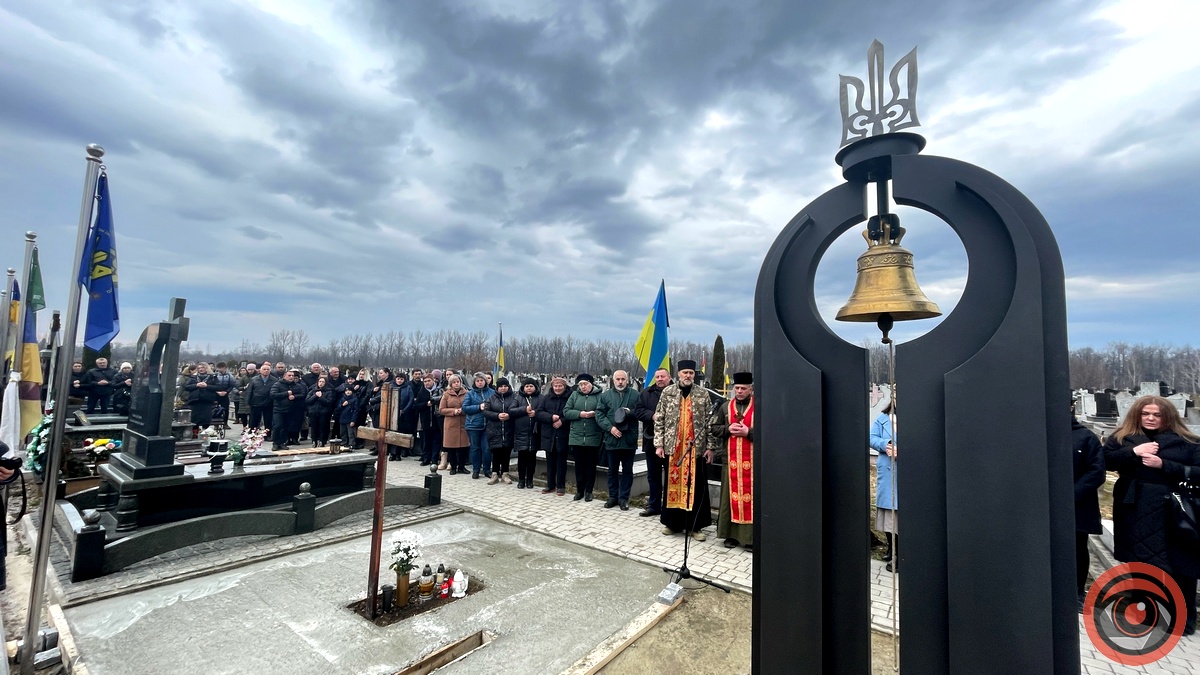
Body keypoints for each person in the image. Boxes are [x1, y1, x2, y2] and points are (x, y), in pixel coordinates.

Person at [1104, 395, 1200, 635]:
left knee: (1179, 564)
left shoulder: (1187, 442)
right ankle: (1144, 614)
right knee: (1140, 562)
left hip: (1174, 510)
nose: (1151, 418)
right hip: (1133, 507)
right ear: (1137, 414)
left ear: (1168, 416)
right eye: (1146, 413)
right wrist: (1134, 452)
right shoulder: (1121, 438)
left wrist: (1164, 465)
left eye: (1157, 414)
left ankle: (1182, 620)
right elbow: (1105, 462)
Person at [654, 359, 715, 540]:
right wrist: (659, 444)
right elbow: (660, 419)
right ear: (678, 374)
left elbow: (709, 423)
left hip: (695, 449)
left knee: (696, 487)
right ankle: (673, 524)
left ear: (694, 375)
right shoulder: (668, 392)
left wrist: (710, 447)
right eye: (684, 372)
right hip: (674, 449)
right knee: (672, 485)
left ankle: (696, 527)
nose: (688, 376)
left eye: (691, 373)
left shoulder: (702, 394)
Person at [711, 371, 755, 549]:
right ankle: (730, 535)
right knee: (729, 499)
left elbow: (771, 431)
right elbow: (714, 428)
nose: (739, 391)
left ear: (751, 389)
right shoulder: (725, 407)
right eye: (736, 388)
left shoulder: (760, 406)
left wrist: (748, 433)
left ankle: (750, 537)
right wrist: (728, 429)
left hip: (753, 464)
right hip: (730, 462)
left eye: (743, 388)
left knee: (751, 500)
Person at [1071, 396, 1104, 612]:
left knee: (1077, 548)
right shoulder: (1036, 433)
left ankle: (1077, 592)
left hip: (1077, 504)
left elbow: (1097, 472)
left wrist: (1070, 495)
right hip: (1039, 505)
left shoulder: (1086, 437)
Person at [597, 370, 639, 510]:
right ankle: (613, 497)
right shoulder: (606, 396)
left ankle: (623, 498)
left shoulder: (635, 395)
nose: (620, 382)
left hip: (628, 440)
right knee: (612, 471)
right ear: (613, 380)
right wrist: (610, 428)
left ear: (627, 380)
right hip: (612, 439)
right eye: (618, 379)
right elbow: (599, 414)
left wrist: (629, 413)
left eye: (623, 379)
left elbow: (640, 412)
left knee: (627, 471)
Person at [634, 367, 671, 517]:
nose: (660, 379)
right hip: (651, 441)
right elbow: (638, 410)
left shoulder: (677, 392)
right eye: (657, 377)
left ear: (669, 377)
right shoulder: (646, 393)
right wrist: (652, 415)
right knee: (653, 476)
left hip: (671, 443)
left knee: (671, 477)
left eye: (663, 376)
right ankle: (654, 506)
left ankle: (669, 508)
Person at [564, 373, 604, 502]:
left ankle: (589, 491)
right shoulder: (574, 395)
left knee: (590, 466)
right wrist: (580, 414)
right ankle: (579, 490)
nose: (583, 387)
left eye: (585, 384)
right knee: (579, 466)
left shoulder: (599, 396)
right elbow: (566, 411)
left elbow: (604, 411)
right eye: (580, 384)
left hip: (593, 436)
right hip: (577, 436)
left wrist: (594, 414)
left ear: (591, 384)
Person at [869, 402, 899, 571]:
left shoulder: (914, 417)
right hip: (888, 474)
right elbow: (871, 438)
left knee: (899, 515)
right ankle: (891, 548)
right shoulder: (882, 418)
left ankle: (899, 553)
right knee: (888, 514)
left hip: (904, 472)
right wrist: (885, 444)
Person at [537, 376, 572, 496]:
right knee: (550, 461)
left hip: (563, 433)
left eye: (560, 386)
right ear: (552, 387)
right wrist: (550, 418)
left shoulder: (570, 397)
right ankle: (550, 484)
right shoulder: (546, 398)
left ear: (564, 386)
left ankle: (561, 486)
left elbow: (572, 413)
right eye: (555, 386)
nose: (558, 388)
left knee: (562, 461)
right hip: (549, 434)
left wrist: (562, 421)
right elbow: (539, 413)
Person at [483, 377, 516, 484]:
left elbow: (517, 410)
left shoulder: (514, 398)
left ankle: (505, 473)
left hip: (508, 429)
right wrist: (497, 415)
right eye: (501, 386)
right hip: (494, 429)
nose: (503, 388)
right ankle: (495, 474)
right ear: (497, 387)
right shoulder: (491, 398)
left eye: (505, 386)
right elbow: (486, 412)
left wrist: (509, 415)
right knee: (496, 452)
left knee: (506, 452)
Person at [511, 378, 543, 489]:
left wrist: (536, 413)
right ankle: (521, 480)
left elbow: (544, 410)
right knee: (522, 458)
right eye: (527, 386)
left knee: (532, 458)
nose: (529, 388)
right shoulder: (518, 398)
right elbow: (511, 411)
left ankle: (530, 479)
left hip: (534, 432)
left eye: (531, 386)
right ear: (523, 387)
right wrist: (524, 409)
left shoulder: (540, 398)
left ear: (535, 387)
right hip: (521, 432)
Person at [463, 373, 495, 479]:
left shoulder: (492, 393)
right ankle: (476, 470)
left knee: (486, 449)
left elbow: (496, 406)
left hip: (488, 425)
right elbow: (465, 408)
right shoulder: (470, 394)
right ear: (474, 382)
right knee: (475, 448)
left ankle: (487, 469)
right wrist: (478, 407)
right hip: (473, 425)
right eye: (477, 381)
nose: (480, 383)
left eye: (482, 380)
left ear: (486, 381)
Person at [439, 375, 470, 474]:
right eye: (454, 382)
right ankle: (453, 466)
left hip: (463, 422)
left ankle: (462, 466)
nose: (456, 384)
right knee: (451, 447)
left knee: (463, 447)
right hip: (451, 424)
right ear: (450, 384)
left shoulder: (466, 393)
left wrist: (463, 410)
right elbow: (441, 409)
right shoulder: (446, 394)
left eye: (458, 382)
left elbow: (469, 406)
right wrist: (453, 411)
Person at [269, 370, 305, 450]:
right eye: (289, 375)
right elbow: (273, 395)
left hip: (290, 410)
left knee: (285, 427)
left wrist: (295, 397)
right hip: (279, 409)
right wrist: (286, 393)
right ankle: (275, 443)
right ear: (284, 376)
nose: (291, 377)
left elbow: (302, 394)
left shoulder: (297, 386)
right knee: (277, 426)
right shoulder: (278, 384)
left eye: (292, 376)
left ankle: (282, 442)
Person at [183, 362, 222, 429]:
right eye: (199, 368)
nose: (200, 369)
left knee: (206, 420)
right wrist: (196, 385)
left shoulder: (212, 377)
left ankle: (205, 433)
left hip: (207, 401)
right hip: (195, 401)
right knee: (194, 420)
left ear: (206, 368)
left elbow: (218, 387)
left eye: (202, 367)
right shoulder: (193, 377)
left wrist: (207, 386)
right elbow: (186, 387)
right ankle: (195, 433)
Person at [244, 362, 276, 433]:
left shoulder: (274, 380)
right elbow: (249, 391)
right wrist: (247, 402)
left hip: (268, 403)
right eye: (264, 369)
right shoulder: (254, 379)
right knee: (254, 420)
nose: (266, 371)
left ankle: (268, 434)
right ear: (260, 371)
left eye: (268, 369)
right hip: (256, 402)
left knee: (268, 420)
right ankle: (252, 433)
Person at [420, 374, 443, 467]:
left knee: (436, 441)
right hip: (425, 420)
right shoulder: (422, 392)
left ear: (433, 380)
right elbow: (417, 406)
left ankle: (434, 459)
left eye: (429, 381)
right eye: (425, 381)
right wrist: (426, 404)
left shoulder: (438, 391)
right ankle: (426, 458)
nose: (427, 383)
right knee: (426, 441)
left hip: (436, 420)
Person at [306, 375, 335, 447]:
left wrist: (320, 397)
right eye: (320, 381)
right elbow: (307, 401)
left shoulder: (329, 391)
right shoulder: (313, 390)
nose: (321, 383)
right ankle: (314, 440)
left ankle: (322, 440)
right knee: (314, 427)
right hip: (313, 412)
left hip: (323, 412)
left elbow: (328, 402)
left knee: (323, 427)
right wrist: (315, 396)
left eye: (323, 382)